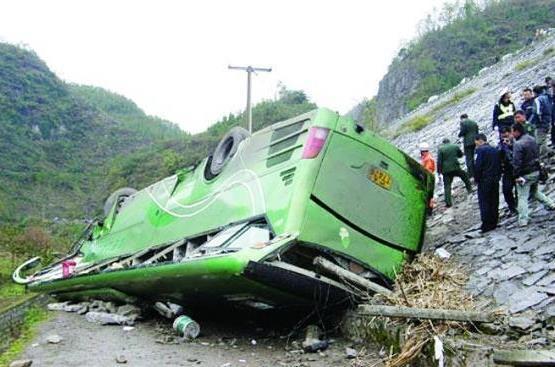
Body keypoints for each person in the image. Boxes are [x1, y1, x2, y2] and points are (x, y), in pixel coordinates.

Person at [511, 123, 555, 227]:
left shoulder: (518, 144)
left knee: (522, 197)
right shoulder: (531, 139)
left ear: (517, 131)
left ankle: (523, 219)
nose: (512, 134)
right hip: (536, 171)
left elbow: (517, 162)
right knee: (534, 192)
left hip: (525, 174)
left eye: (513, 131)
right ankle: (551, 204)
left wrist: (516, 176)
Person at [474, 133, 501, 232]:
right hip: (495, 178)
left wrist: (476, 179)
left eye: (476, 143)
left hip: (484, 179)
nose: (476, 145)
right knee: (494, 200)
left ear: (480, 140)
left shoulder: (480, 151)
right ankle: (494, 221)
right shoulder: (494, 149)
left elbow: (478, 166)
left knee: (484, 201)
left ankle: (486, 224)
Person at [437, 138, 472, 207]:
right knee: (464, 176)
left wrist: (439, 171)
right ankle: (469, 189)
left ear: (443, 143)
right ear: (449, 142)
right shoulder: (455, 146)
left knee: (447, 186)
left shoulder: (440, 149)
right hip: (455, 167)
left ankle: (448, 202)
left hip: (446, 170)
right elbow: (460, 155)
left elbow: (439, 162)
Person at [498, 127, 517, 215]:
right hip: (507, 170)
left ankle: (518, 205)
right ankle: (512, 207)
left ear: (510, 134)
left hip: (518, 169)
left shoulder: (517, 142)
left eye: (506, 136)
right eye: (502, 137)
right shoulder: (500, 145)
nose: (504, 138)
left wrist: (511, 146)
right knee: (506, 189)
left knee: (519, 189)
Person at [532, 85, 553, 157]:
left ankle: (544, 155)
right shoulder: (546, 97)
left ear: (534, 92)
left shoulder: (537, 99)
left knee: (540, 140)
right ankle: (549, 152)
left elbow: (537, 112)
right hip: (548, 120)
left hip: (541, 123)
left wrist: (537, 121)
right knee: (544, 138)